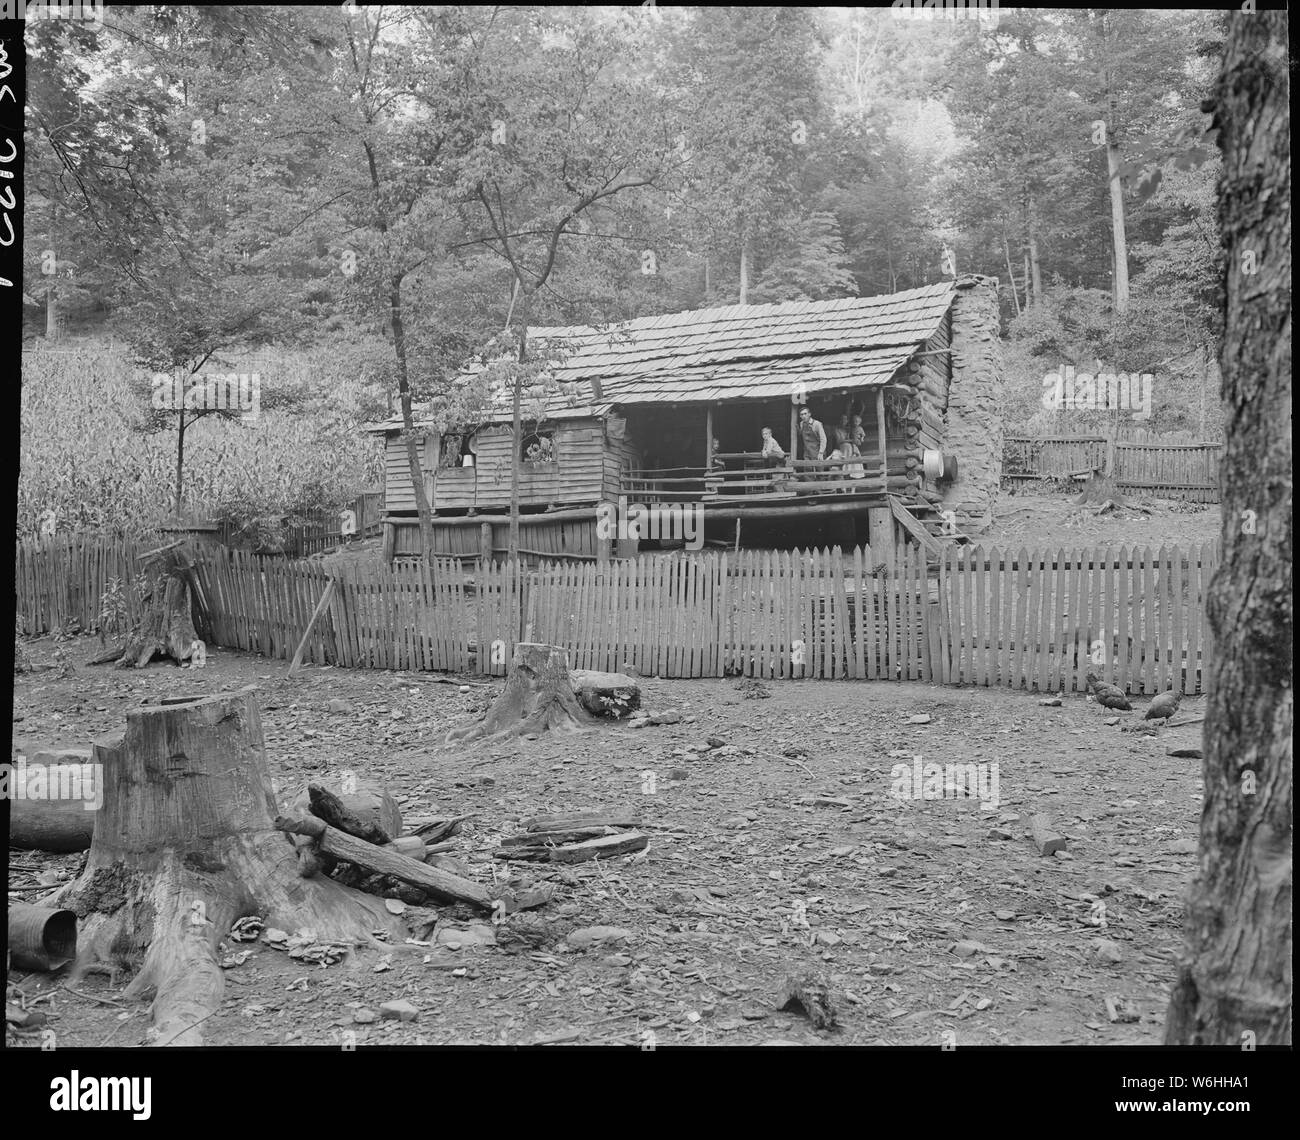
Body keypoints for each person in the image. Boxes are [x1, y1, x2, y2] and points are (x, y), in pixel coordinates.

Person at [797, 407, 826, 480]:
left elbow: (823, 439)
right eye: (801, 414)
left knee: (819, 471)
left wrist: (821, 452)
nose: (803, 416)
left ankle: (820, 489)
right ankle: (810, 490)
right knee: (808, 471)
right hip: (807, 451)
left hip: (817, 451)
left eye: (805, 414)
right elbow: (801, 433)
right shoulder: (801, 424)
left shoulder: (817, 424)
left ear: (809, 414)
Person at [847, 413, 866, 478]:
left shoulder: (860, 428)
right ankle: (855, 452)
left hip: (857, 440)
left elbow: (863, 434)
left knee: (854, 444)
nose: (855, 423)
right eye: (854, 421)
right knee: (852, 444)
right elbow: (850, 434)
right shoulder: (852, 428)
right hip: (853, 440)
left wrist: (862, 438)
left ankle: (855, 452)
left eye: (857, 422)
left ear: (859, 423)